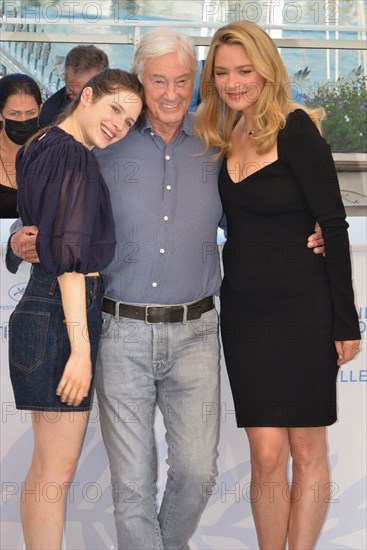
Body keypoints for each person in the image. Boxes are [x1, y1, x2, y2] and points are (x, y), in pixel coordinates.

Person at [7, 29, 325, 550]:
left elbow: (260, 204)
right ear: (140, 80)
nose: (172, 93)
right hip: (119, 330)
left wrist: (313, 233)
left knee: (198, 474)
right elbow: (54, 212)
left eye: (183, 80)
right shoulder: (104, 142)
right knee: (132, 486)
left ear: (195, 83)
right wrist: (19, 240)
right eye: (159, 81)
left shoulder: (218, 141)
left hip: (197, 332)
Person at [195, 21, 361, 550]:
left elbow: (332, 225)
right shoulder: (224, 135)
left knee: (306, 448)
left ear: (267, 69)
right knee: (265, 454)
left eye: (244, 70)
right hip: (244, 310)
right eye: (222, 73)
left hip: (303, 310)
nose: (233, 82)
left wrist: (345, 319)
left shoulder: (295, 129)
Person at [8, 68, 143, 550]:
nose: (118, 126)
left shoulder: (42, 144)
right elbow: (68, 263)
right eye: (113, 110)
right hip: (59, 317)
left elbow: (38, 231)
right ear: (86, 96)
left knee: (46, 469)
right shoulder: (74, 160)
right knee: (56, 472)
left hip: (42, 311)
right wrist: (81, 352)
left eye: (129, 122)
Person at [0, 74, 42, 218]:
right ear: (0, 114)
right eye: (14, 114)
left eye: (30, 113)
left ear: (40, 109)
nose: (23, 120)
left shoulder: (55, 151)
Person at [39, 44, 109, 127]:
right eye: (72, 94)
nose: (79, 101)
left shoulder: (120, 110)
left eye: (87, 94)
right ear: (66, 80)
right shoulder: (50, 114)